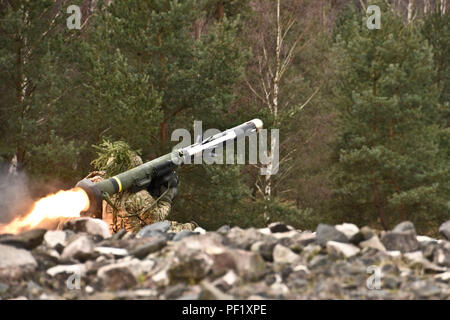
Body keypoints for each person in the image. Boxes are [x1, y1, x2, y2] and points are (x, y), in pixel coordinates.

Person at [85, 140, 196, 233]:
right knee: (186, 228)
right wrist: (166, 198)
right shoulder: (138, 196)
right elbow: (156, 219)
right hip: (135, 240)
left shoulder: (102, 188)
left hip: (111, 237)